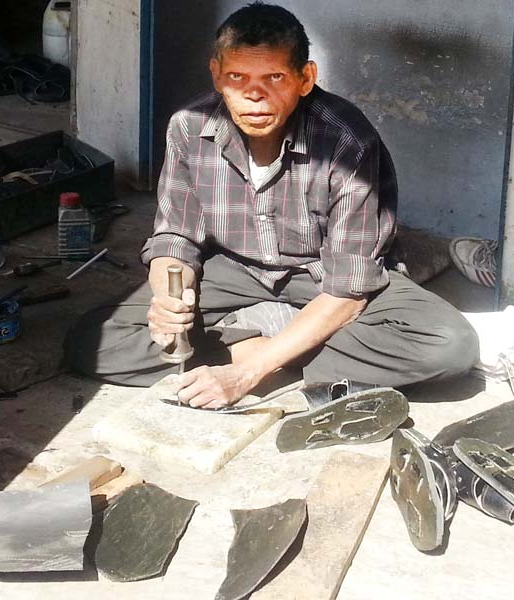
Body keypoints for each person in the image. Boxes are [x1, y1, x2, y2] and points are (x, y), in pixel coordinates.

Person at [65, 2, 479, 409]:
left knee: (449, 346)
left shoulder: (346, 141)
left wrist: (248, 373)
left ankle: (259, 350)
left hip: (322, 275)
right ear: (216, 75)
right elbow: (176, 237)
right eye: (237, 77)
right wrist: (168, 300)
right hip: (235, 269)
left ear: (305, 78)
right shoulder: (189, 127)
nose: (254, 96)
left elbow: (350, 290)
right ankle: (275, 347)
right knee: (94, 341)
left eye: (275, 77)